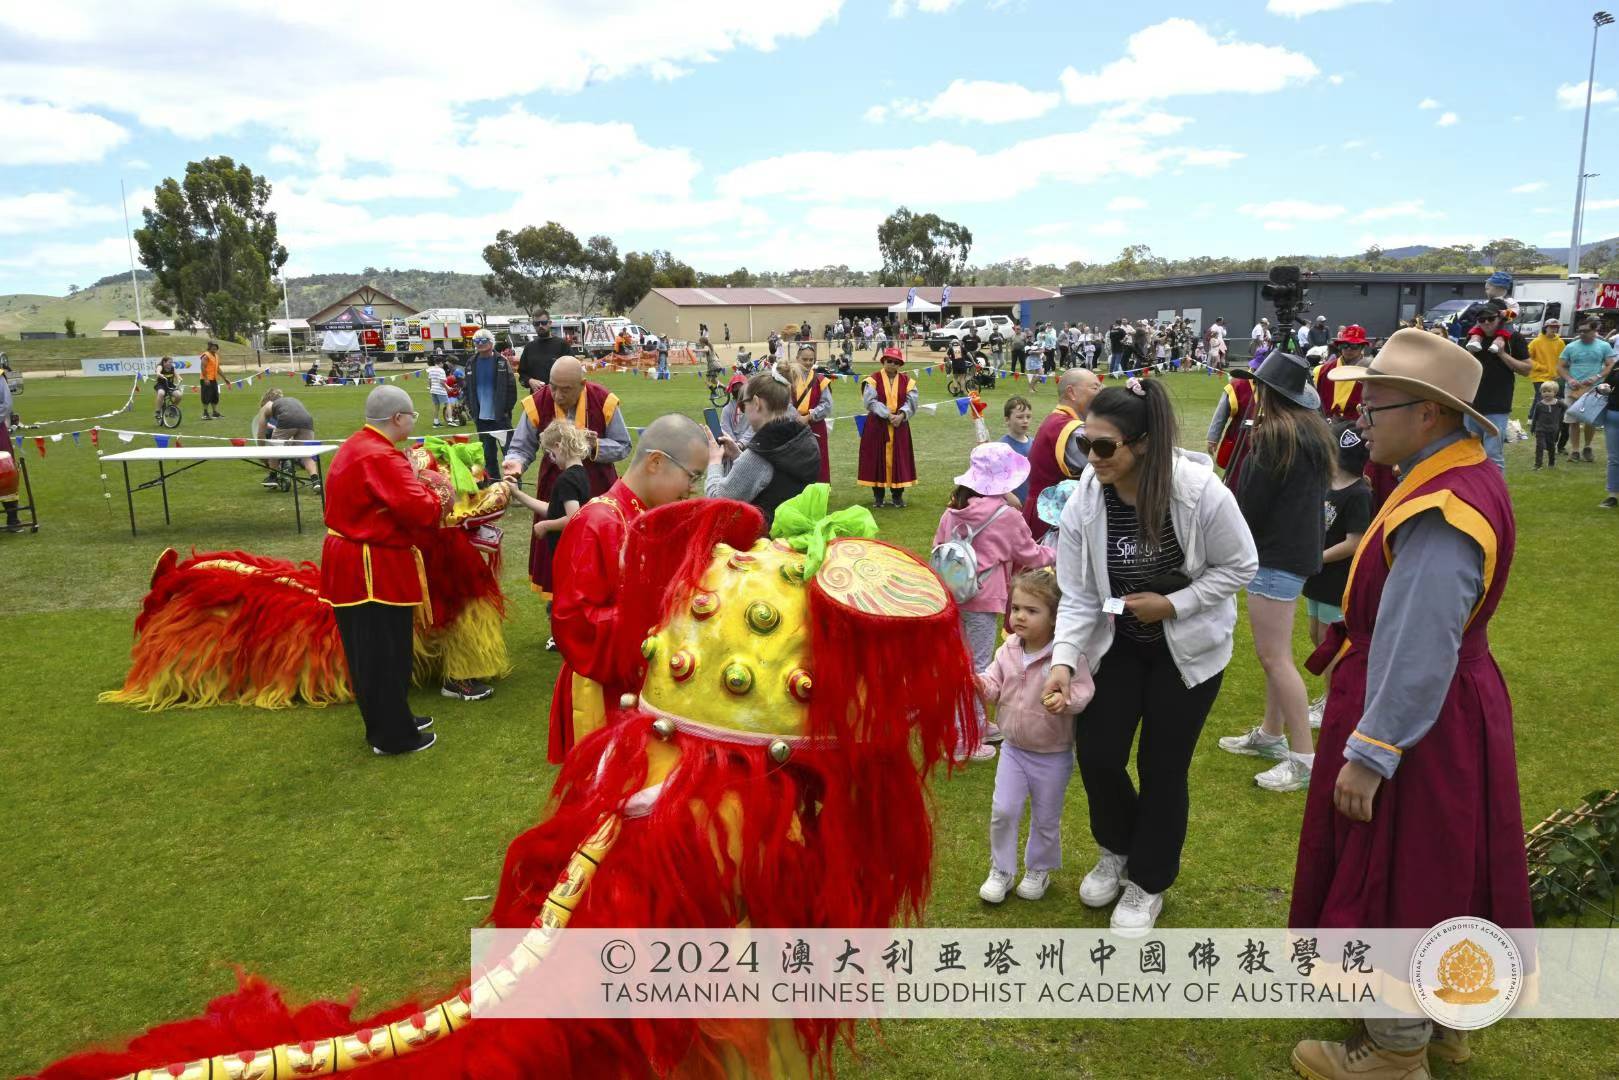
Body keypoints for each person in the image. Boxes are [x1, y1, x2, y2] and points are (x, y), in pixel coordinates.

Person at [1289, 328, 1531, 1078]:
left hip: (1418, 714)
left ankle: (1396, 1049)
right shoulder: (1448, 474)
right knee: (1447, 860)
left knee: (1404, 870)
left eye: (1375, 405)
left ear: (1428, 413)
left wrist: (1373, 750)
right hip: (1443, 705)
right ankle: (1441, 1016)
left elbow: (1421, 639)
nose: (1359, 418)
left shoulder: (1445, 506)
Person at [1043, 377, 1257, 935]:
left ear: (1143, 444)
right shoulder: (1086, 499)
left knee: (1163, 768)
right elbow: (1078, 593)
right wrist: (1063, 659)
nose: (1091, 457)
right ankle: (1117, 850)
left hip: (1188, 654)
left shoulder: (1200, 492)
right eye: (1085, 443)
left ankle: (1148, 880)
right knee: (1099, 754)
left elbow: (1241, 565)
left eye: (1104, 446)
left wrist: (1174, 605)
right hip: (1117, 645)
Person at [546, 414, 708, 763]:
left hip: (638, 682)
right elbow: (575, 624)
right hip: (602, 692)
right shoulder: (597, 522)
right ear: (656, 462)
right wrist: (662, 612)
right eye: (692, 476)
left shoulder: (648, 517)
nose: (692, 489)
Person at [1218, 352, 1332, 793]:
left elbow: (1250, 504)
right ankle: (1270, 734)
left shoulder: (1274, 438)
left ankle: (1303, 757)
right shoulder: (1309, 433)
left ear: (1268, 393)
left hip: (1275, 557)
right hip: (1293, 553)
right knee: (1275, 654)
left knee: (1275, 658)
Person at [320, 386, 441, 756]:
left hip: (358, 557)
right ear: (397, 418)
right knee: (381, 650)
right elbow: (422, 510)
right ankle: (392, 736)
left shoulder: (360, 445)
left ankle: (393, 717)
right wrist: (438, 491)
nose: (413, 421)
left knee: (384, 646)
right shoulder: (381, 456)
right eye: (411, 416)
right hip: (369, 564)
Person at [976, 568, 1094, 904]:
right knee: (1003, 811)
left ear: (1055, 618)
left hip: (1053, 754)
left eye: (1031, 610)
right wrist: (977, 683)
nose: (1019, 617)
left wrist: (1064, 700)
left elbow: (1084, 690)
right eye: (1015, 608)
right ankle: (1001, 870)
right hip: (1013, 750)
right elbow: (993, 684)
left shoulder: (1067, 657)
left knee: (1045, 818)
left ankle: (1039, 869)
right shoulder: (1008, 650)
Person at [935, 442, 1054, 759]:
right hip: (983, 599)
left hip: (952, 596)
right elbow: (1031, 554)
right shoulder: (1006, 516)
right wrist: (1058, 552)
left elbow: (938, 548)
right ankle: (964, 738)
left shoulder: (952, 511)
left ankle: (974, 723)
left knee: (962, 661)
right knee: (977, 667)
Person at [501, 356, 631, 594]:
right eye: (553, 387)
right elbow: (521, 447)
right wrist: (515, 464)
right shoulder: (538, 402)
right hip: (555, 487)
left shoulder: (604, 400)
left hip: (599, 488)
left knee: (600, 553)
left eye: (566, 389)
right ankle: (559, 606)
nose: (557, 395)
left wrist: (592, 446)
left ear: (582, 384)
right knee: (556, 555)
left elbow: (623, 446)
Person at [1299, 422, 1371, 727]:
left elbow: (1355, 542)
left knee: (1331, 641)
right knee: (1316, 635)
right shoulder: (1326, 485)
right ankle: (1329, 695)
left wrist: (1318, 558)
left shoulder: (1359, 493)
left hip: (1336, 580)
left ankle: (1332, 700)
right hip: (1318, 577)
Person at [704, 369, 821, 527]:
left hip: (766, 537)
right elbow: (775, 476)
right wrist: (738, 455)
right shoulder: (804, 437)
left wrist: (714, 461)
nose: (743, 410)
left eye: (744, 405)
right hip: (798, 531)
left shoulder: (762, 452)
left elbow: (718, 501)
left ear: (756, 403)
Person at [504, 421, 592, 596]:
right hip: (574, 554)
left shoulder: (566, 480)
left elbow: (573, 518)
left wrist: (546, 525)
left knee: (563, 599)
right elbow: (553, 510)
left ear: (559, 446)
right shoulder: (580, 474)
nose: (552, 459)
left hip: (567, 554)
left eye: (551, 453)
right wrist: (518, 493)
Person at [1021, 368, 1102, 534]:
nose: (1101, 393)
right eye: (1095, 388)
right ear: (1071, 392)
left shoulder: (1058, 420)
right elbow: (1105, 464)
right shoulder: (1069, 429)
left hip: (1049, 512)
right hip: (1051, 517)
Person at [1463, 298, 1530, 471]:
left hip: (1497, 405)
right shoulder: (1472, 337)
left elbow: (1526, 369)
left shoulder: (1514, 338)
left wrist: (1502, 354)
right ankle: (1474, 487)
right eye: (1481, 319)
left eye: (1490, 318)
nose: (1486, 322)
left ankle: (1495, 488)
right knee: (1468, 455)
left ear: (1500, 318)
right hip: (1470, 404)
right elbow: (1460, 366)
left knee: (1493, 455)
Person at [858, 346, 918, 509]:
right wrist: (888, 415)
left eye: (896, 362)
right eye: (889, 361)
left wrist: (902, 415)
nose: (892, 364)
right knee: (875, 459)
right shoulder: (872, 379)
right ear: (883, 361)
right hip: (877, 425)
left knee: (900, 459)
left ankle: (897, 497)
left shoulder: (908, 382)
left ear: (900, 365)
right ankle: (878, 497)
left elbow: (912, 402)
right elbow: (870, 401)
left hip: (900, 425)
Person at [461, 328, 518, 481]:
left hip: (500, 419)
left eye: (484, 340)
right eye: (476, 341)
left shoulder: (501, 361)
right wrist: (472, 410)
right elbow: (466, 389)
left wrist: (505, 410)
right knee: (488, 456)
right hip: (481, 420)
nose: (480, 343)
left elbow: (511, 388)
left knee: (509, 454)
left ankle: (514, 487)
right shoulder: (471, 363)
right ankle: (495, 486)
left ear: (491, 342)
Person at [1558, 318, 1616, 463]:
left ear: (1595, 330)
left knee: (1590, 420)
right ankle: (1575, 450)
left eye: (1586, 331)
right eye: (1580, 331)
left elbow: (1610, 365)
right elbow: (1560, 366)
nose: (1582, 334)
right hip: (1573, 389)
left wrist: (1597, 376)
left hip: (1594, 389)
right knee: (1573, 420)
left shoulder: (1604, 346)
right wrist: (1569, 379)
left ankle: (1588, 447)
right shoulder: (1571, 346)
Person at [250, 388, 321, 490]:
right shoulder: (289, 401)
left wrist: (262, 453)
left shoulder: (266, 406)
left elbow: (260, 434)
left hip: (288, 418)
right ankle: (315, 480)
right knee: (306, 454)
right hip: (307, 420)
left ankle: (273, 477)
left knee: (274, 448)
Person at [789, 347, 833, 483]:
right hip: (792, 426)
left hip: (816, 426)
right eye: (804, 359)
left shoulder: (821, 380)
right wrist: (796, 417)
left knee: (818, 460)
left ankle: (818, 490)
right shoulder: (788, 378)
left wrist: (808, 417)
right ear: (797, 359)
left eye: (811, 360)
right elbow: (783, 402)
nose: (808, 363)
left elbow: (827, 405)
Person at [1204, 368, 1255, 480]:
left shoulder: (1277, 386)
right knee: (1236, 476)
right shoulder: (1237, 385)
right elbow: (1221, 413)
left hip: (1268, 443)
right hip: (1239, 440)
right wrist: (1213, 438)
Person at [516, 311, 572, 392]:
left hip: (559, 395)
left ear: (550, 323)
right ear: (533, 325)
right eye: (536, 324)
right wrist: (530, 381)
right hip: (537, 396)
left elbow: (573, 370)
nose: (540, 326)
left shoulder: (562, 345)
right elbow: (522, 375)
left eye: (543, 323)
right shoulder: (529, 347)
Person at [1000, 395, 1033, 503]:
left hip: (1031, 501)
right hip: (1011, 504)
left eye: (1028, 417)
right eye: (1020, 417)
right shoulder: (1002, 447)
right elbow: (995, 477)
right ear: (1007, 420)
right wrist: (1008, 495)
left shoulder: (1034, 444)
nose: (1025, 421)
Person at [1528, 378, 1566, 471]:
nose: (1546, 393)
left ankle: (1551, 462)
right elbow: (1535, 417)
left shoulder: (1558, 403)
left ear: (1555, 392)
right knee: (1539, 446)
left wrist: (1560, 417)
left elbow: (1566, 409)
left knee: (1551, 446)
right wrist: (1533, 427)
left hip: (1552, 429)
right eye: (1544, 391)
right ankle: (1538, 464)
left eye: (1549, 391)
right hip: (1540, 429)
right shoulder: (1539, 405)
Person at [1526, 316, 1565, 406]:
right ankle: (1534, 415)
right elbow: (1526, 358)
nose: (1554, 329)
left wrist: (1559, 372)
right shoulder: (1536, 342)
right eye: (1551, 327)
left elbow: (1563, 359)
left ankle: (1535, 414)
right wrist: (1540, 367)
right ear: (1545, 328)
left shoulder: (1560, 342)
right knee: (1542, 399)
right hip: (1539, 377)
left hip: (1555, 377)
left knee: (1551, 400)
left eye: (1556, 327)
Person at [198, 341, 222, 420]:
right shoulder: (206, 356)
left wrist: (225, 378)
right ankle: (205, 413)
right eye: (212, 346)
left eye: (216, 346)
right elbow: (202, 367)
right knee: (206, 396)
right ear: (209, 347)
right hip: (206, 379)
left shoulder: (216, 356)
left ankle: (215, 413)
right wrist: (206, 378)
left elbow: (218, 369)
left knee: (215, 396)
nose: (214, 348)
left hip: (214, 379)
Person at [152, 356, 181, 420]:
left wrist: (179, 378)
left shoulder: (172, 368)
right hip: (161, 385)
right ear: (164, 362)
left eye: (171, 362)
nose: (171, 364)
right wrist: (159, 374)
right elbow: (158, 372)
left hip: (170, 385)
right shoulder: (160, 366)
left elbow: (177, 375)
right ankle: (158, 411)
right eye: (169, 362)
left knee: (179, 395)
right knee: (161, 393)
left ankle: (172, 409)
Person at [427, 358, 449, 427]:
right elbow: (442, 382)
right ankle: (451, 420)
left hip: (433, 390)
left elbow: (429, 381)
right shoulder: (441, 370)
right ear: (441, 363)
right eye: (443, 363)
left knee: (436, 407)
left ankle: (435, 423)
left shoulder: (431, 370)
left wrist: (431, 389)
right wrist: (448, 388)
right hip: (440, 390)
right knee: (448, 404)